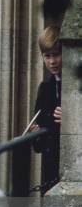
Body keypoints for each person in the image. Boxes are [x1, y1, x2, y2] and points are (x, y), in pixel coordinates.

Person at [30, 26, 62, 195]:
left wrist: (72, 120)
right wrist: (35, 134)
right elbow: (39, 147)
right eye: (47, 56)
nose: (52, 61)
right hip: (50, 171)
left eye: (56, 54)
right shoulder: (44, 88)